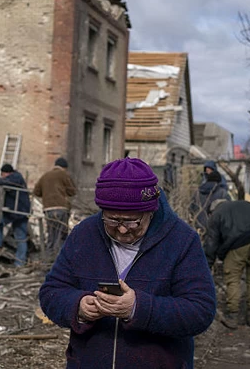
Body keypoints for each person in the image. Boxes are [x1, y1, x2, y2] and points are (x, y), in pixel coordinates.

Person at [38, 158, 216, 368]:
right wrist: (78, 307)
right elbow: (52, 292)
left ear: (151, 210)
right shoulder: (83, 235)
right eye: (113, 220)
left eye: (132, 221)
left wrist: (137, 308)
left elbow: (200, 310)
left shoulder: (181, 241)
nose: (122, 229)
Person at [204, 199, 250, 329]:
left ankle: (233, 316)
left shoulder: (217, 214)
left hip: (236, 246)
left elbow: (211, 242)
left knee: (233, 279)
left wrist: (207, 264)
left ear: (212, 210)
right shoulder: (245, 204)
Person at [32, 157, 77, 257]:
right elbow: (72, 191)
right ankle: (59, 261)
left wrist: (47, 195)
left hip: (48, 209)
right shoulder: (64, 175)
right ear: (64, 168)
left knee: (51, 236)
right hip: (62, 208)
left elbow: (36, 192)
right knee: (61, 236)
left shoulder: (45, 176)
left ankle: (48, 259)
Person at [0, 164, 30, 266]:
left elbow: (3, 181)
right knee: (19, 236)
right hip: (17, 211)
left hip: (17, 212)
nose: (2, 177)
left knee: (0, 224)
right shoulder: (16, 177)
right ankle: (19, 262)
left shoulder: (15, 178)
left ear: (6, 173)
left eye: (2, 175)